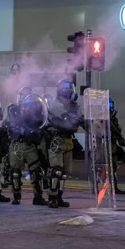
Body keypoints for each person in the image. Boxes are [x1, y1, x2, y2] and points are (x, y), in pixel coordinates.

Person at [43, 80, 82, 208]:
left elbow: (77, 122)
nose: (69, 91)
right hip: (56, 140)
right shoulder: (54, 105)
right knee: (56, 170)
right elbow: (64, 120)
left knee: (64, 173)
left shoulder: (74, 106)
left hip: (68, 140)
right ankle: (52, 197)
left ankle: (59, 197)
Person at [8, 89, 49, 206]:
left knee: (36, 171)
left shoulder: (35, 111)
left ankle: (38, 196)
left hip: (30, 144)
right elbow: (9, 124)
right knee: (15, 172)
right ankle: (16, 196)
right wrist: (16, 128)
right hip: (18, 144)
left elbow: (40, 123)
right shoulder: (14, 110)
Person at [108, 98, 125, 195]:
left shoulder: (113, 118)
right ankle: (100, 187)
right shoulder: (101, 119)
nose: (109, 108)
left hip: (113, 144)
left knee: (113, 166)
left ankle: (114, 187)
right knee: (103, 167)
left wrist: (119, 138)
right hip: (104, 144)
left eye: (110, 105)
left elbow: (118, 130)